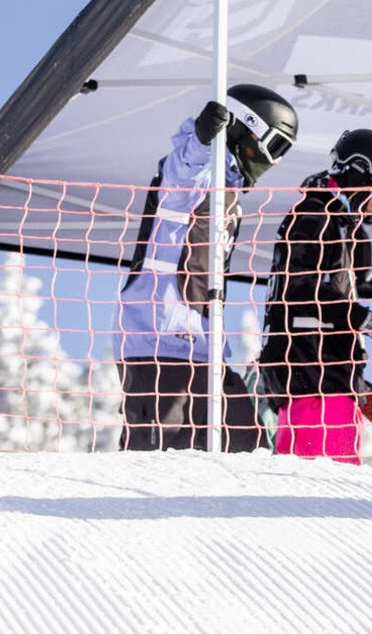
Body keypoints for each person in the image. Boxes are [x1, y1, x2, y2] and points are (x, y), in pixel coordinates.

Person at [118, 84, 296, 452]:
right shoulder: (198, 178)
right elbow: (183, 173)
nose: (275, 161)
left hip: (204, 346)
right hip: (160, 340)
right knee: (159, 454)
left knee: (246, 446)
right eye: (275, 146)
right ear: (246, 130)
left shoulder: (229, 194)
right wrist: (202, 140)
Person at [258, 129, 372, 464]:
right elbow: (302, 290)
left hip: (322, 389)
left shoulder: (336, 223)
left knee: (327, 492)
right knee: (322, 496)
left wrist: (358, 386)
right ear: (359, 173)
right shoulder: (315, 215)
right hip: (314, 393)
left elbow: (323, 326)